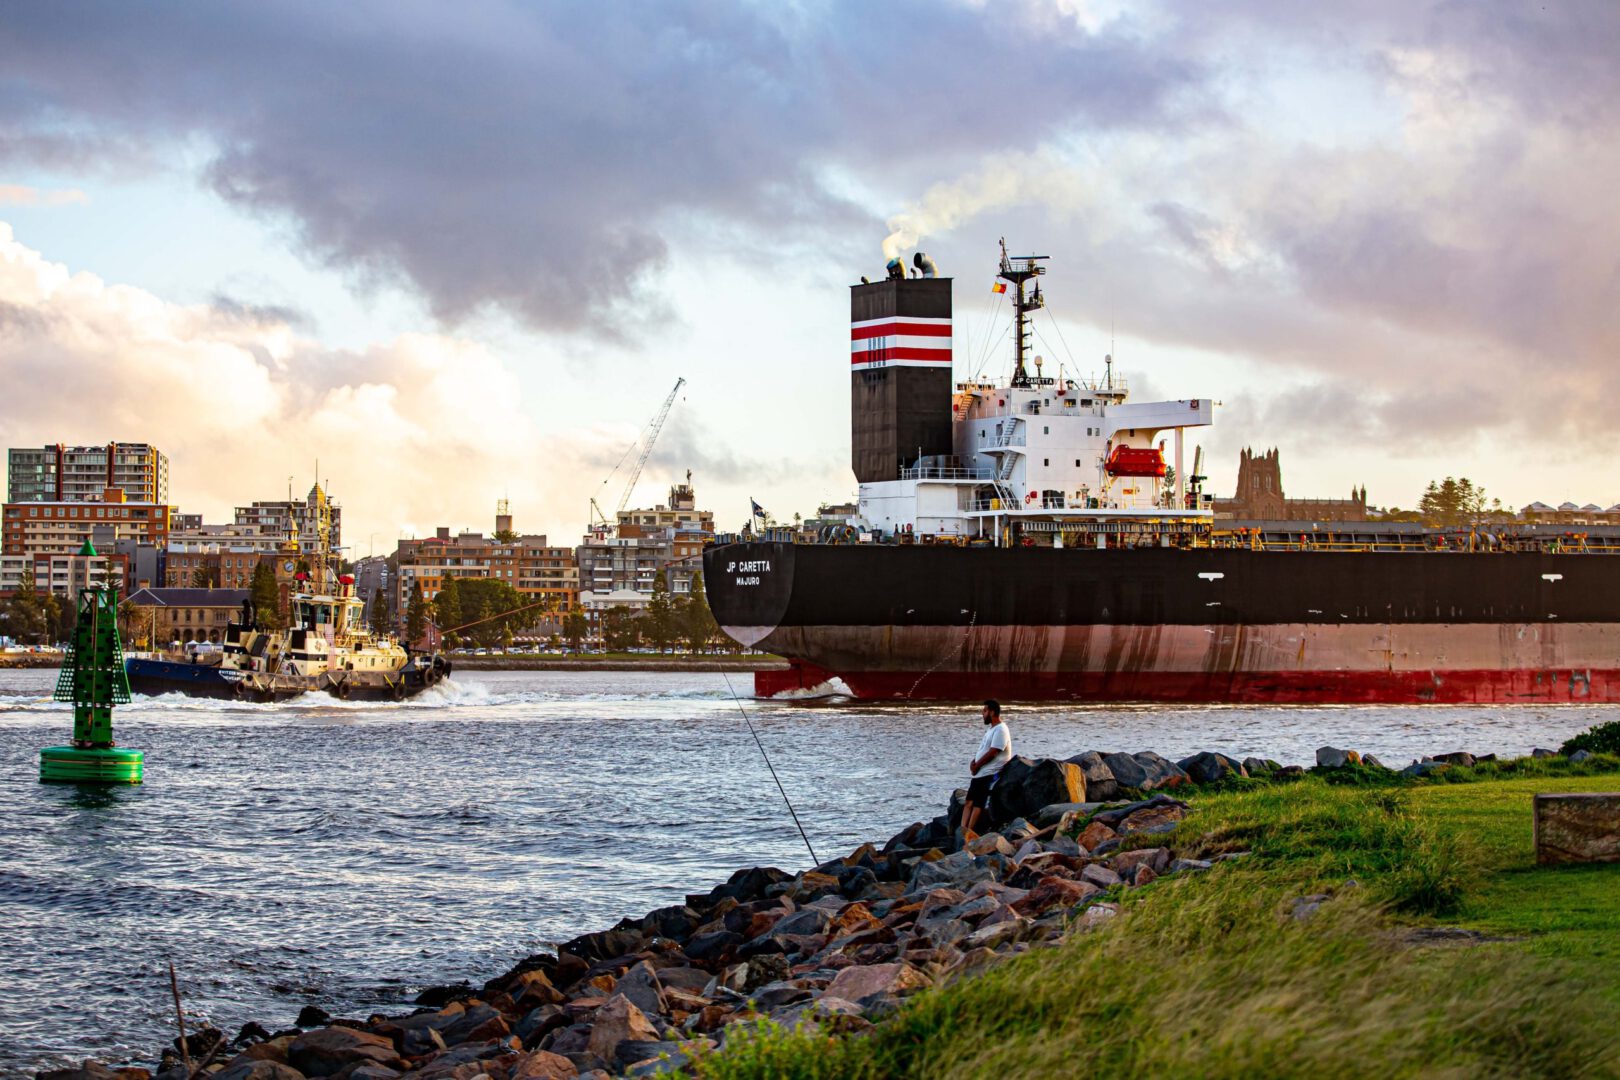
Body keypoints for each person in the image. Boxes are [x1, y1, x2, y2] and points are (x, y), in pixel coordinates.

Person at [960, 698, 1011, 842]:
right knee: (969, 802)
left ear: (992, 712)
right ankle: (962, 829)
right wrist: (973, 763)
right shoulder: (991, 730)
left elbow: (993, 751)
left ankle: (969, 832)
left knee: (978, 804)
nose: (982, 714)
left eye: (984, 711)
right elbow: (983, 750)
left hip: (989, 773)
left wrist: (978, 765)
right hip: (980, 773)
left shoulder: (1001, 729)